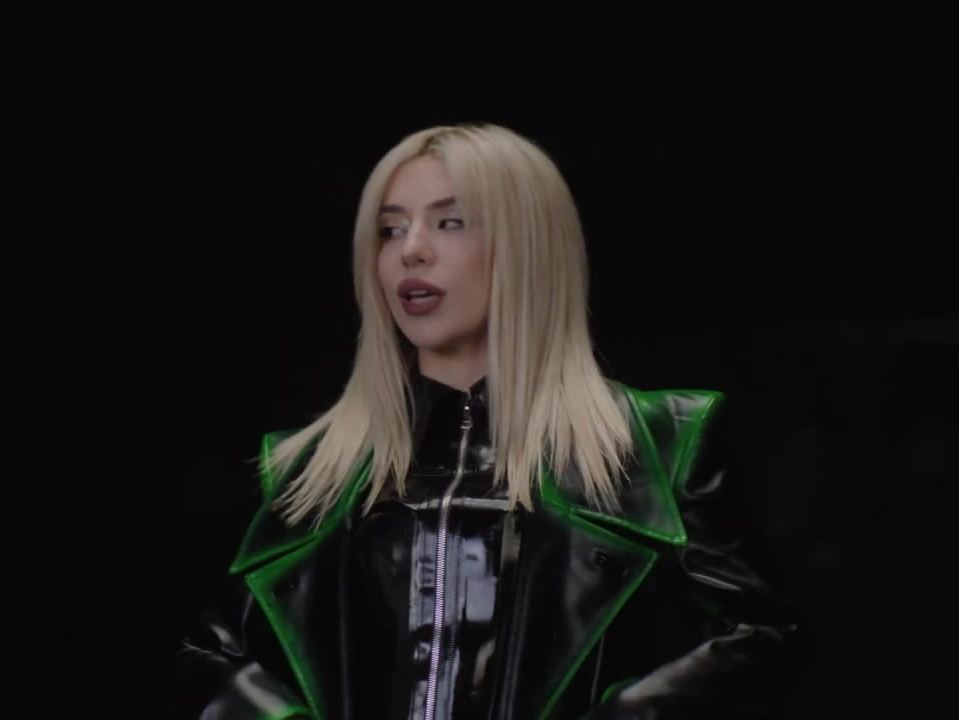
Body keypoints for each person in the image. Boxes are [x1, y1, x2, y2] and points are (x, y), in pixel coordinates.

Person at [171, 123, 803, 719]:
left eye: (450, 222)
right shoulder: (313, 468)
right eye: (390, 230)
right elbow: (208, 654)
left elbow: (764, 635)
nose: (410, 251)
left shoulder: (656, 441)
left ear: (530, 246)